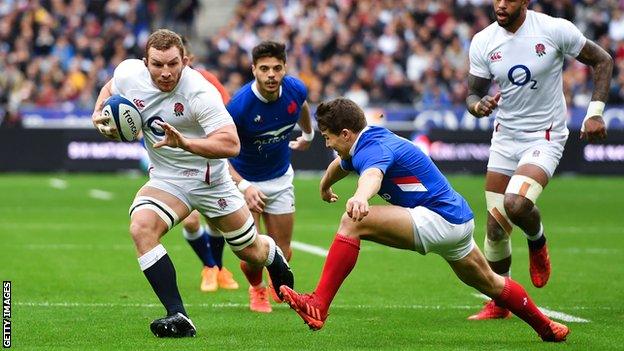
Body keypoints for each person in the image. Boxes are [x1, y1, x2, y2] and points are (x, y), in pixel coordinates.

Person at [279, 97, 569, 343]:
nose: (328, 144)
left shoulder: (373, 150)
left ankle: (318, 304)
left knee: (353, 221)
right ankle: (547, 327)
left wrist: (361, 197)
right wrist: (325, 185)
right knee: (492, 284)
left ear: (345, 133)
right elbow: (341, 165)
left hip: (438, 219)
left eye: (328, 137)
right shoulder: (366, 141)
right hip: (457, 220)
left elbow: (373, 175)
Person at [91, 29, 293, 338]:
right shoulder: (129, 73)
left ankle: (272, 255)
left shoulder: (200, 92)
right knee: (141, 227)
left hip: (211, 181)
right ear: (145, 62)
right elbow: (111, 87)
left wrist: (185, 142)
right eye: (158, 65)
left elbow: (231, 144)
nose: (166, 72)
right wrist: (99, 109)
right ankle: (178, 315)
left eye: (173, 63)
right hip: (167, 179)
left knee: (249, 251)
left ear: (185, 60)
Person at [464, 0, 613, 319]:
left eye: (509, 0)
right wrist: (478, 106)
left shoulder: (553, 29)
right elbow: (472, 94)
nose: (500, 5)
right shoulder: (484, 40)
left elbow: (602, 60)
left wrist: (595, 113)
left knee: (516, 204)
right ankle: (500, 302)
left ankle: (537, 240)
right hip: (505, 137)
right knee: (494, 230)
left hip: (545, 135)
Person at [225, 40, 313, 313]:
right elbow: (219, 155)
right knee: (252, 252)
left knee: (283, 250)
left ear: (285, 68)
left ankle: (279, 285)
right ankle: (257, 289)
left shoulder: (296, 89)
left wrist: (308, 135)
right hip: (246, 183)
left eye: (277, 68)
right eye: (264, 69)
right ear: (254, 70)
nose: (271, 74)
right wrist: (244, 185)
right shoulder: (239, 107)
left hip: (280, 178)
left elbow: (303, 106)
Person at [178, 38, 239, 293]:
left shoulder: (206, 81)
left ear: (188, 59)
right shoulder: (153, 84)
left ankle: (218, 268)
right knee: (191, 221)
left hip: (207, 158)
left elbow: (224, 114)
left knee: (214, 221)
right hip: (176, 163)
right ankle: (209, 266)